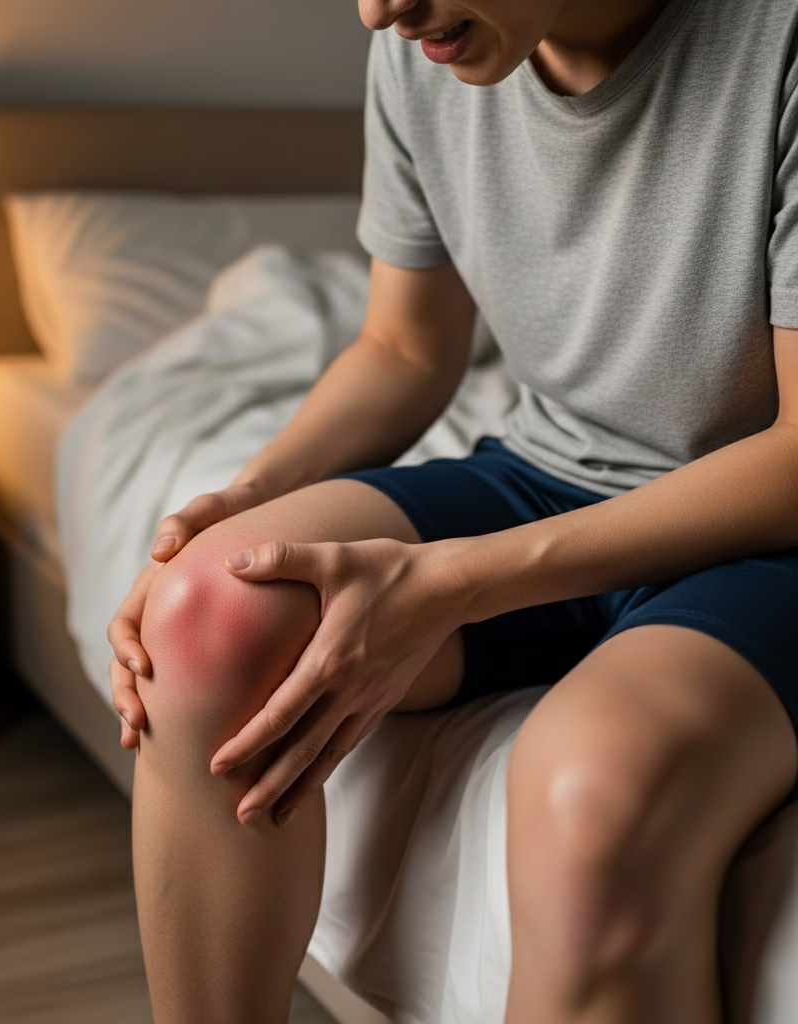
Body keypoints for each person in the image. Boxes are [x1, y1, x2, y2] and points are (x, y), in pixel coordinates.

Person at [108, 0, 798, 1020]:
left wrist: (457, 583)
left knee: (590, 788)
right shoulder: (430, 50)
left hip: (765, 528)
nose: (379, 9)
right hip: (544, 471)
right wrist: (239, 501)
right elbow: (404, 348)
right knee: (208, 613)